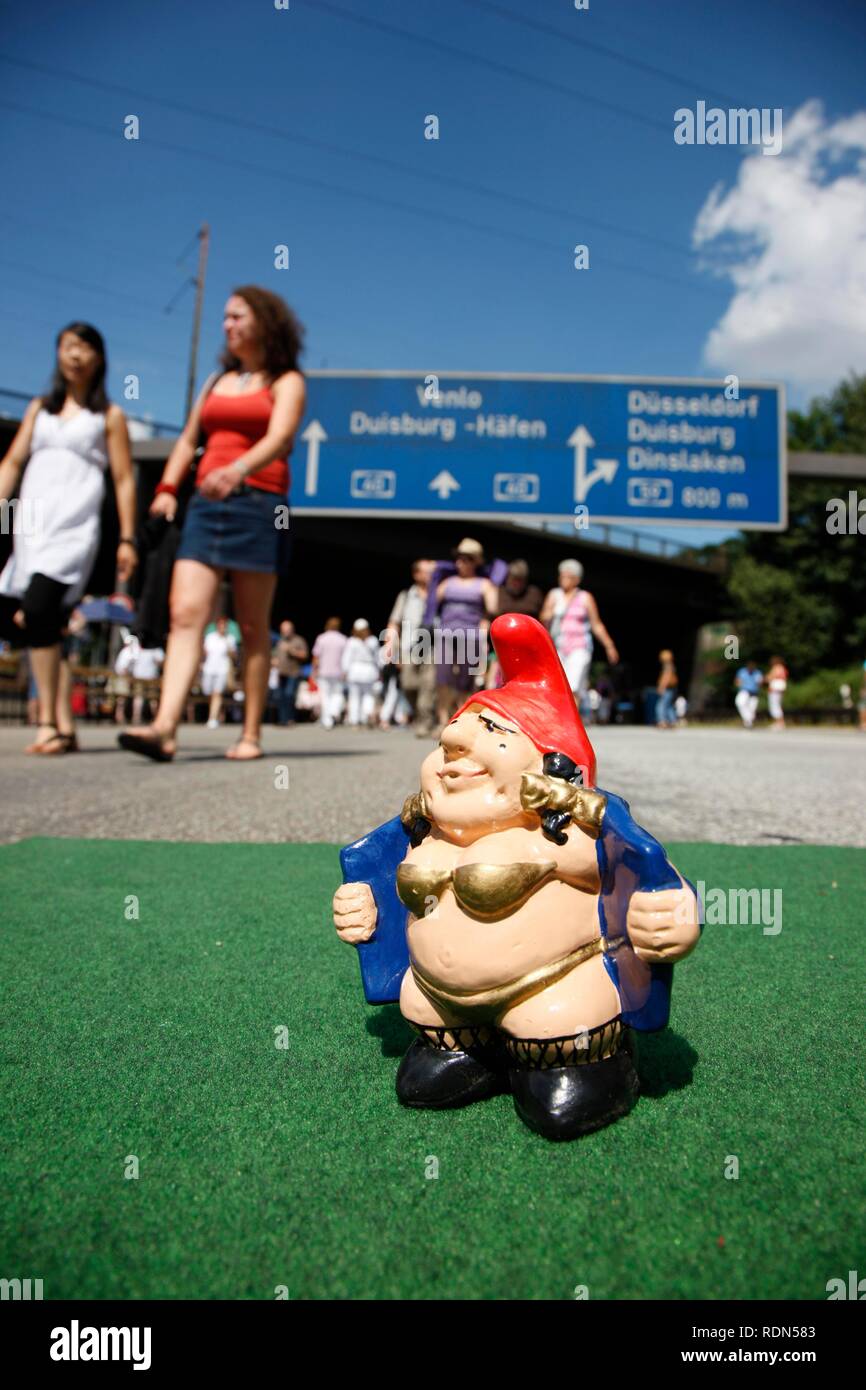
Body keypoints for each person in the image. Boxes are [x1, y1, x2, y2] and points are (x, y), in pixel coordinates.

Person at [333, 613, 700, 1141]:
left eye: (494, 731)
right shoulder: (420, 834)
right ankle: (462, 1051)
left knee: (555, 1050)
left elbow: (650, 878)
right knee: (425, 1074)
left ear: (549, 768)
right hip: (443, 1009)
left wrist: (672, 915)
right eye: (446, 743)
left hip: (555, 1006)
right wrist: (365, 907)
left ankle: (580, 1066)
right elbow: (387, 895)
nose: (452, 746)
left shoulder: (573, 837)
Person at [119, 286, 306, 763]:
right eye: (224, 317)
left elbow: (282, 437)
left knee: (251, 623)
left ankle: (250, 734)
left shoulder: (286, 381)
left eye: (237, 315)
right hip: (205, 506)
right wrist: (165, 488)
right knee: (185, 614)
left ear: (264, 321)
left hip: (259, 504)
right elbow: (188, 439)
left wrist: (239, 468)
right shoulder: (217, 380)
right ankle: (164, 727)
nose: (227, 324)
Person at [0, 322, 137, 753]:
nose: (74, 355)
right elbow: (13, 460)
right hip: (32, 525)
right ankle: (65, 723)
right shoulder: (40, 408)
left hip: (74, 528)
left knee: (39, 610)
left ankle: (50, 723)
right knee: (39, 621)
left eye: (84, 347)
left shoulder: (108, 416)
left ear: (99, 357)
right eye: (67, 346)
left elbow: (123, 479)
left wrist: (128, 538)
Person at [433, 538, 497, 733]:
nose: (462, 562)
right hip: (445, 633)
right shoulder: (447, 583)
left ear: (475, 562)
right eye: (459, 558)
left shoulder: (484, 584)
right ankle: (442, 719)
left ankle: (460, 719)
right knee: (442, 677)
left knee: (465, 680)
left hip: (470, 636)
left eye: (467, 559)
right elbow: (432, 605)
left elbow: (492, 608)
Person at [539, 559, 619, 711]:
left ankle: (569, 726)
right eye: (561, 576)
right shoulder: (554, 595)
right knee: (558, 686)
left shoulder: (585, 597)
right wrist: (550, 612)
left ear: (577, 579)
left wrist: (609, 645)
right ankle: (560, 721)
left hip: (580, 647)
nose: (562, 579)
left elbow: (597, 624)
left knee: (573, 685)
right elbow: (543, 617)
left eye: (567, 576)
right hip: (558, 647)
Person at [385, 559, 436, 738]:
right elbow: (394, 622)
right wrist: (391, 646)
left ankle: (426, 721)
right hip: (409, 648)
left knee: (428, 685)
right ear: (416, 574)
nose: (431, 575)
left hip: (433, 647)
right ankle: (419, 715)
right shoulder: (406, 595)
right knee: (408, 685)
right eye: (427, 571)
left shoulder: (439, 594)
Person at [342, 618, 380, 728]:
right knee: (368, 695)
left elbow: (346, 658)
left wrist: (345, 671)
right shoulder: (373, 640)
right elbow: (377, 658)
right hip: (369, 670)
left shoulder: (352, 641)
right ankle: (367, 714)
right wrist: (378, 671)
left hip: (355, 670)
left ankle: (355, 720)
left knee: (354, 696)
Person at [201, 615, 237, 727]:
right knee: (208, 693)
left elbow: (234, 656)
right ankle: (215, 713)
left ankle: (212, 718)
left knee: (217, 694)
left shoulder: (230, 639)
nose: (222, 627)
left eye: (224, 625)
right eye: (220, 625)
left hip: (223, 670)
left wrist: (229, 647)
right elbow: (204, 653)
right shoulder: (210, 637)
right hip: (208, 669)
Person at [312, 617, 347, 730]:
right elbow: (346, 658)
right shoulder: (343, 639)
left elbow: (316, 656)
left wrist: (315, 670)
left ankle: (327, 719)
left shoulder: (321, 638)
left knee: (325, 695)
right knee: (337, 694)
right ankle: (333, 711)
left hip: (324, 671)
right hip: (338, 671)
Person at [273, 619, 309, 727]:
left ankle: (290, 719)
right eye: (283, 630)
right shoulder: (280, 641)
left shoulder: (299, 640)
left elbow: (304, 655)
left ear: (292, 629)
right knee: (280, 696)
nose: (285, 632)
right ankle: (282, 720)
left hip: (293, 673)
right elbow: (275, 654)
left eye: (287, 630)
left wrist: (291, 650)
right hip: (281, 673)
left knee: (289, 696)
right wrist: (273, 660)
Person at [734, 660, 762, 728]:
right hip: (744, 691)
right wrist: (738, 684)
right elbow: (737, 680)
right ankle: (747, 720)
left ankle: (748, 723)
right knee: (740, 703)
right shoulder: (742, 671)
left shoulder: (757, 673)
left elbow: (760, 683)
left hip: (754, 692)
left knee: (752, 708)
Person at [655, 649, 678, 729]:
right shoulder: (672, 665)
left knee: (660, 705)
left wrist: (661, 687)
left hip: (667, 688)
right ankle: (673, 721)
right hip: (672, 688)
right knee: (669, 705)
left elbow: (666, 677)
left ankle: (662, 721)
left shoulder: (667, 665)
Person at [766, 655, 788, 731]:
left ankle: (779, 722)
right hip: (780, 689)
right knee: (777, 705)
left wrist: (766, 678)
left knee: (775, 705)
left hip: (775, 689)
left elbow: (770, 677)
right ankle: (779, 722)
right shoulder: (782, 668)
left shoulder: (777, 668)